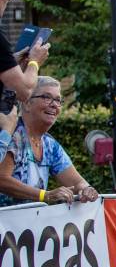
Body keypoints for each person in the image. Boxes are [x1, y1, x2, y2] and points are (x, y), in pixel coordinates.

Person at [0, 77, 99, 206]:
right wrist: (44, 195)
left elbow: (77, 182)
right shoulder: (14, 135)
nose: (54, 104)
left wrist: (87, 189)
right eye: (46, 97)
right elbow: (1, 179)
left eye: (58, 100)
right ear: (27, 103)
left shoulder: (49, 145)